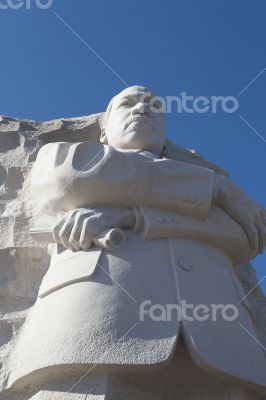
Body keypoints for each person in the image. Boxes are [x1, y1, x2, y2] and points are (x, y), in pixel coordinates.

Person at [8, 86, 266, 399]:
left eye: (154, 107)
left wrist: (132, 216)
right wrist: (217, 189)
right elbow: (67, 180)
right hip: (93, 323)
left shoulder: (201, 173)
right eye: (128, 104)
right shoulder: (64, 155)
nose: (142, 110)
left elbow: (243, 236)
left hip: (223, 340)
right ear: (103, 131)